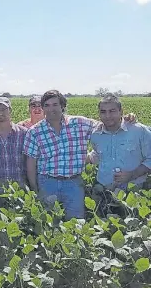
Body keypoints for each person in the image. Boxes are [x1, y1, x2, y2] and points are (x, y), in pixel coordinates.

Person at [23, 90, 136, 220]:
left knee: (76, 223)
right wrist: (34, 188)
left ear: (63, 106)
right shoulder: (35, 131)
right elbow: (31, 162)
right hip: (47, 182)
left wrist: (125, 119)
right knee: (49, 223)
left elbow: (106, 124)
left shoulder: (79, 123)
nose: (51, 109)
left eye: (55, 104)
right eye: (47, 105)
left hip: (73, 182)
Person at [88, 93, 151, 191]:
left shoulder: (139, 131)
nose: (107, 116)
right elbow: (98, 154)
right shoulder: (95, 134)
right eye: (103, 112)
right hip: (104, 189)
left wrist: (132, 174)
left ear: (121, 111)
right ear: (99, 114)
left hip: (133, 192)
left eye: (112, 111)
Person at [0, 97, 28, 193]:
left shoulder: (23, 133)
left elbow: (30, 160)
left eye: (4, 109)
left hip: (19, 186)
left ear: (10, 110)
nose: (1, 112)